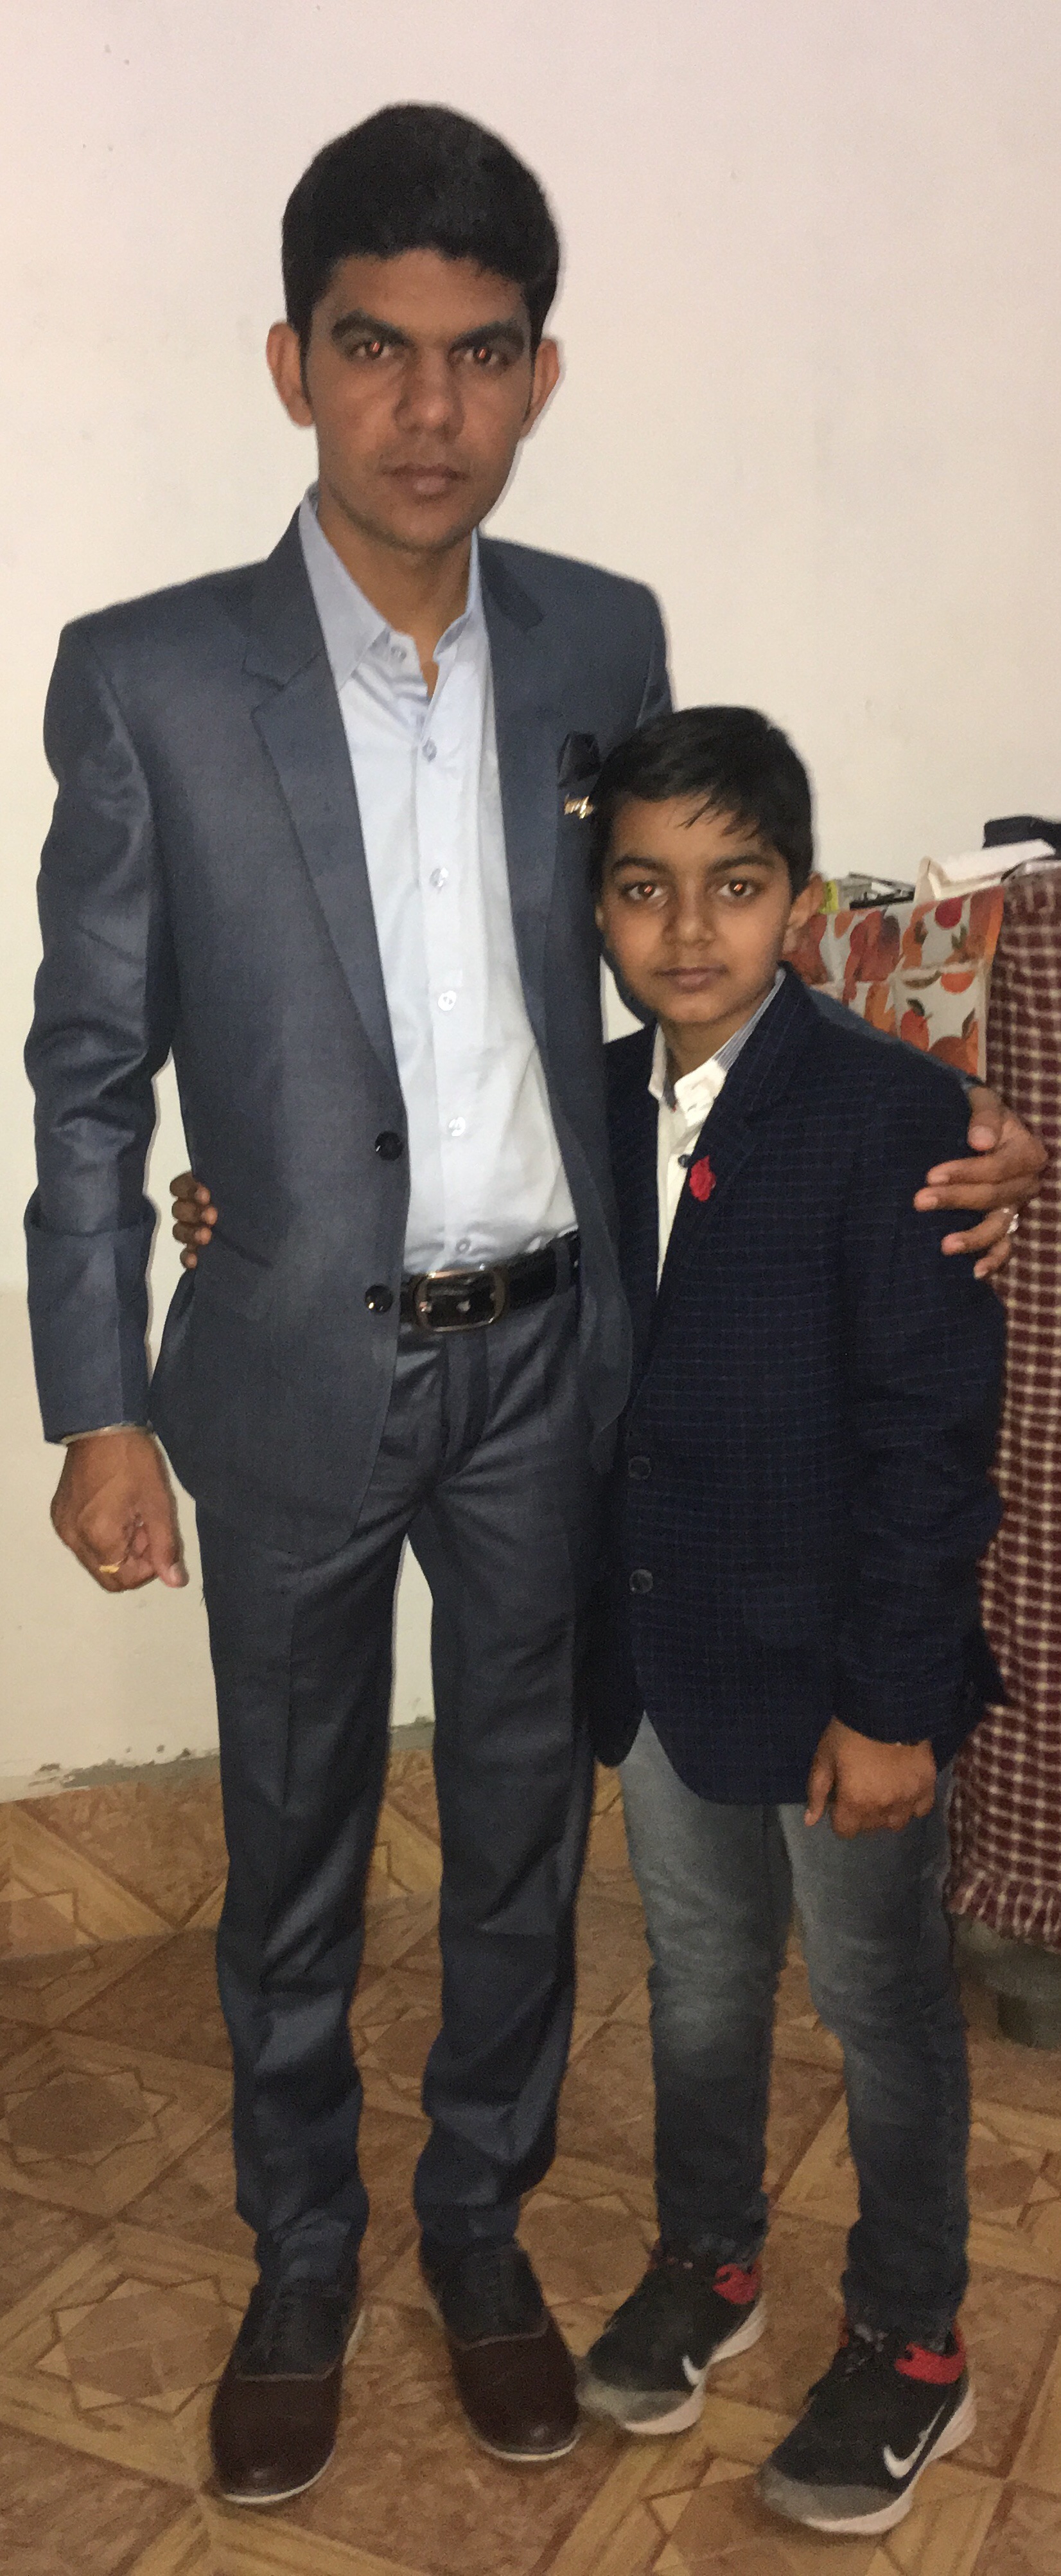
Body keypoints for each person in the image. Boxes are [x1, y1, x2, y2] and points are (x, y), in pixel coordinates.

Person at [26, 103, 1039, 2509]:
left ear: (539, 374)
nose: (427, 407)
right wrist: (98, 1398)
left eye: (481, 354)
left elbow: (688, 948)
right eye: (374, 347)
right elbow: (86, 1070)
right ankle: (300, 2254)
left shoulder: (602, 635)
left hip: (560, 1368)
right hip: (286, 1362)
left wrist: (939, 1115)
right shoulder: (146, 676)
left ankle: (478, 2233)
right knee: (288, 1846)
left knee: (510, 1834)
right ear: (292, 363)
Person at [571, 707, 1004, 2539]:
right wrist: (217, 1203)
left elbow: (928, 1439)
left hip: (843, 1675)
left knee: (880, 2001)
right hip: (667, 1663)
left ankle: (912, 2334)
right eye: (645, 889)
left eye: (732, 886)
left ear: (800, 902)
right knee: (697, 1973)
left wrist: (892, 1705)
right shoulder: (589, 1099)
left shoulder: (889, 1113)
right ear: (599, 905)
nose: (688, 930)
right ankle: (712, 2256)